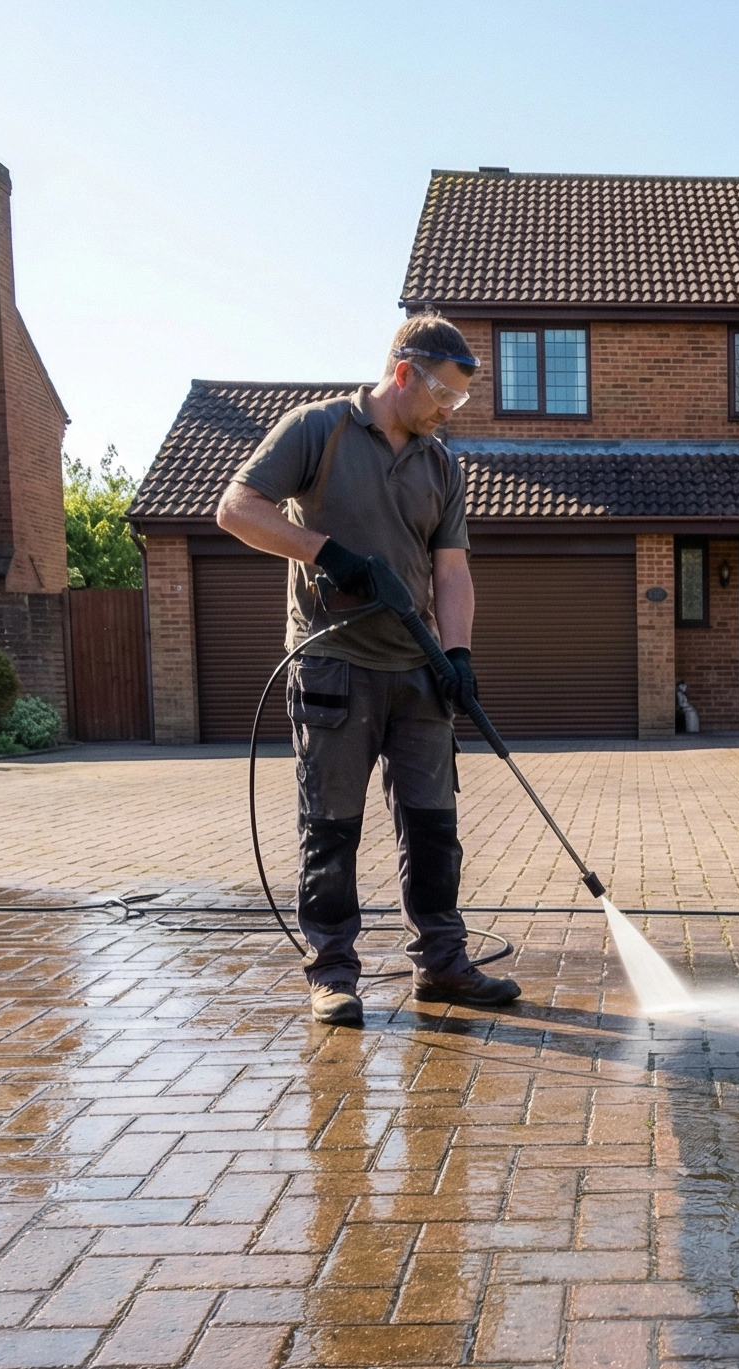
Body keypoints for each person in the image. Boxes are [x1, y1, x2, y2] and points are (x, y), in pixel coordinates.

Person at [214, 314, 520, 1025]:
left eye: (461, 401)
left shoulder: (441, 464)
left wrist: (459, 655)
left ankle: (443, 964)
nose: (451, 411)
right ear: (404, 372)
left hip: (417, 671)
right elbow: (236, 508)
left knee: (434, 825)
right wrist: (331, 555)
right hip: (333, 664)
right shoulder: (317, 430)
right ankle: (332, 974)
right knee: (331, 826)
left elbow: (452, 571)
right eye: (445, 394)